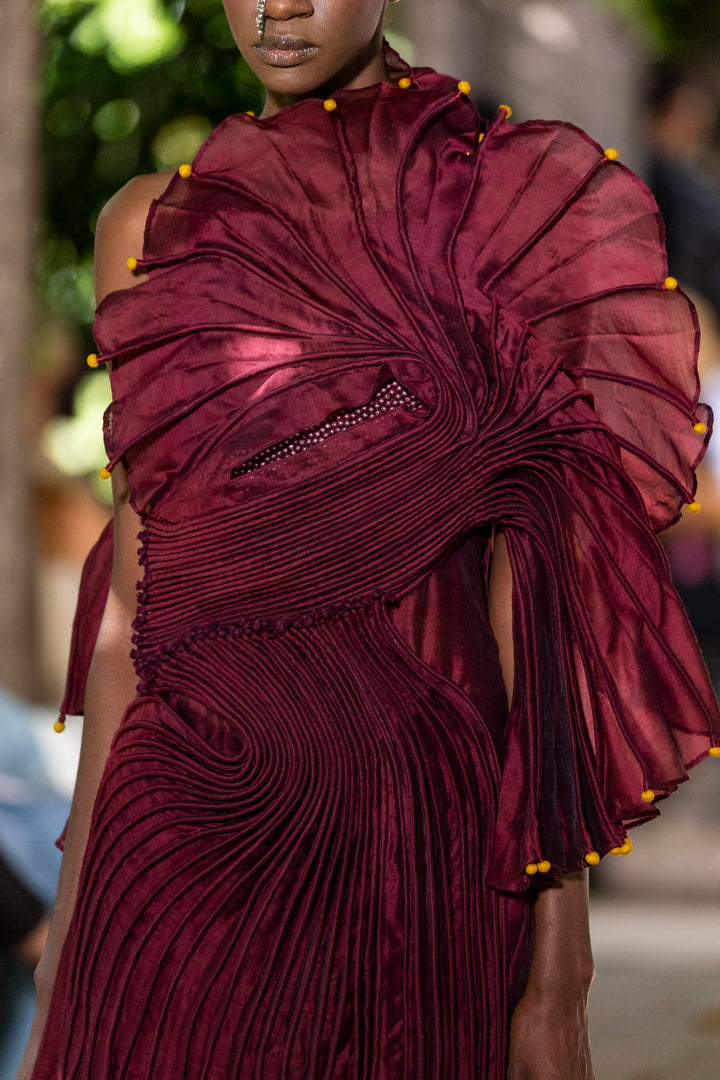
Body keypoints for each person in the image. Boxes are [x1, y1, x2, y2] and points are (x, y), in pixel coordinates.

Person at [17, 3, 720, 1078]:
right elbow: (141, 592)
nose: (278, 6)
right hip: (174, 847)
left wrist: (560, 965)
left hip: (414, 847)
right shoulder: (145, 227)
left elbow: (534, 587)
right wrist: (76, 910)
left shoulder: (495, 204)